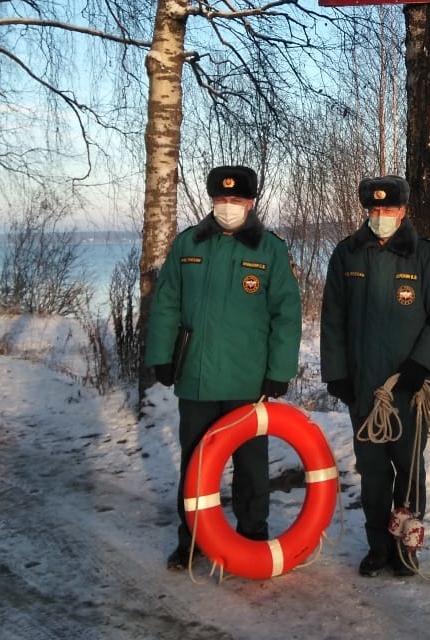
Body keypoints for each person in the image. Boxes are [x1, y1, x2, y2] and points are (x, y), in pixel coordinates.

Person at [146, 164, 302, 571]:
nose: (228, 206)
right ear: (212, 200)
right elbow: (166, 304)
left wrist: (279, 370)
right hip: (196, 379)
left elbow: (286, 314)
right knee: (196, 467)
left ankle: (252, 540)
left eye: (236, 200)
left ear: (251, 202)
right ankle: (192, 541)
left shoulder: (270, 249)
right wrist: (161, 356)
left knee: (251, 467)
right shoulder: (187, 245)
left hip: (247, 382)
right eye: (221, 199)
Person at [320, 175, 430, 577]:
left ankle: (406, 547)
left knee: (409, 470)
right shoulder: (347, 255)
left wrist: (423, 363)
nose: (380, 216)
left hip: (410, 388)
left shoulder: (425, 257)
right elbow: (332, 319)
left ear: (403, 211)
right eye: (374, 210)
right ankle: (378, 546)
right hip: (364, 388)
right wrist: (337, 373)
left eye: (389, 210)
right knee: (374, 472)